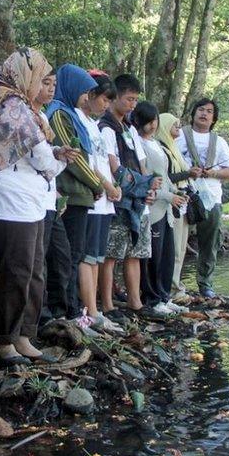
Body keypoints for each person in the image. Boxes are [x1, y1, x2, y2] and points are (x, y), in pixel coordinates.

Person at [0, 48, 76, 365]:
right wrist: (57, 160)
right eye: (40, 77)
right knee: (15, 271)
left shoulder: (27, 109)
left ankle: (24, 334)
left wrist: (53, 158)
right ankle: (4, 338)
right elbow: (42, 157)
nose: (44, 84)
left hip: (29, 199)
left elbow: (42, 154)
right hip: (10, 199)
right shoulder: (10, 105)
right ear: (25, 75)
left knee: (34, 270)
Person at [47, 65, 118, 331]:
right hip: (72, 195)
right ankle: (68, 311)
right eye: (85, 92)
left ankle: (76, 311)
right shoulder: (59, 114)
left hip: (82, 195)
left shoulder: (72, 116)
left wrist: (95, 187)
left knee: (75, 255)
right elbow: (74, 159)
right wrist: (96, 184)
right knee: (69, 256)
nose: (87, 97)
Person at [98, 74, 152, 317]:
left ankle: (135, 301)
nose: (133, 104)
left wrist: (147, 187)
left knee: (135, 252)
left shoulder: (129, 128)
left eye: (135, 100)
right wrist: (138, 185)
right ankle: (107, 305)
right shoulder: (106, 127)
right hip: (119, 198)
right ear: (115, 97)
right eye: (129, 99)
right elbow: (112, 166)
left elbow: (142, 164)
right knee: (111, 254)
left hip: (138, 199)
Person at [132, 102, 191, 317]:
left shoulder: (157, 143)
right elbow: (148, 178)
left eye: (155, 120)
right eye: (149, 121)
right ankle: (153, 298)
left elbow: (164, 176)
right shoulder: (139, 144)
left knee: (167, 253)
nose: (153, 125)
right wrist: (168, 195)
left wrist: (175, 191)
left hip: (166, 208)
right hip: (153, 206)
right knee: (153, 256)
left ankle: (165, 295)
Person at [177, 98, 229, 298]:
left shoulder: (219, 141)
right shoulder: (179, 135)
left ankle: (205, 283)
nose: (204, 114)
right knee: (177, 241)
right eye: (200, 109)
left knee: (210, 242)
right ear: (193, 114)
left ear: (214, 118)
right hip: (183, 195)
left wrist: (213, 174)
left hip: (211, 197)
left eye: (209, 111)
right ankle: (174, 285)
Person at [80, 74, 123, 330]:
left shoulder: (93, 125)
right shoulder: (81, 122)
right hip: (94, 198)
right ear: (90, 94)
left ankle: (94, 309)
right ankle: (91, 311)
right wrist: (107, 186)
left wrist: (114, 187)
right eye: (105, 98)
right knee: (88, 256)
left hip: (106, 200)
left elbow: (105, 163)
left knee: (97, 256)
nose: (106, 105)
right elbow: (88, 163)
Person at [35, 70, 73, 322]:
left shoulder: (41, 116)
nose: (50, 89)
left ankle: (62, 312)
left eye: (53, 84)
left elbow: (51, 160)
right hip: (32, 200)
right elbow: (44, 162)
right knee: (38, 261)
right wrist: (59, 159)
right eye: (44, 83)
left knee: (62, 255)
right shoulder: (26, 115)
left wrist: (58, 157)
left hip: (49, 197)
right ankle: (40, 315)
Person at [156, 113, 200, 301]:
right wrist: (186, 174)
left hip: (182, 200)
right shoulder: (160, 148)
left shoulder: (174, 148)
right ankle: (171, 289)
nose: (179, 129)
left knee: (181, 248)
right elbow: (166, 178)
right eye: (175, 126)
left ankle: (177, 285)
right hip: (169, 202)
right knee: (173, 248)